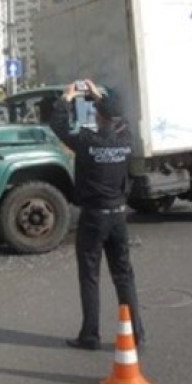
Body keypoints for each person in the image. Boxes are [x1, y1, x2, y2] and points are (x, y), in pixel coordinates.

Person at [49, 79, 145, 350]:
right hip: (118, 217)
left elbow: (58, 125)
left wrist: (67, 97)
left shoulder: (87, 141)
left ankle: (90, 335)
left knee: (90, 276)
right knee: (124, 275)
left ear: (98, 116)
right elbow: (120, 117)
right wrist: (99, 95)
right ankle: (136, 333)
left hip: (93, 218)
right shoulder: (126, 140)